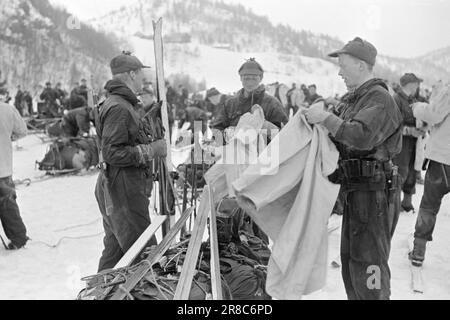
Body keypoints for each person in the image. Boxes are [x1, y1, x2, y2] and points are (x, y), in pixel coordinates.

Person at [304, 37, 403, 300]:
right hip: (357, 192)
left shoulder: (379, 99)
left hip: (374, 195)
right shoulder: (354, 99)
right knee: (352, 262)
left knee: (370, 264)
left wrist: (326, 118)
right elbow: (339, 138)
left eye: (344, 66)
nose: (339, 72)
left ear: (360, 65)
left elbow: (360, 136)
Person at [94, 51, 167, 272]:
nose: (143, 80)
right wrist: (151, 150)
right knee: (143, 256)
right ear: (132, 73)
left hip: (117, 187)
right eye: (140, 74)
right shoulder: (118, 107)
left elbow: (127, 133)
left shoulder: (121, 103)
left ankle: (98, 295)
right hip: (123, 190)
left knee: (115, 253)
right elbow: (113, 153)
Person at [409, 81, 450, 268]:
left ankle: (419, 251)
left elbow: (434, 114)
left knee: (429, 205)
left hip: (444, 158)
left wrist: (418, 107)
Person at [211, 58, 288, 133]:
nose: (250, 83)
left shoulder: (272, 104)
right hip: (234, 145)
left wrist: (265, 126)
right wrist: (227, 135)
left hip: (265, 146)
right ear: (241, 78)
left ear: (260, 78)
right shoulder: (230, 104)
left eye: (254, 79)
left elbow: (285, 134)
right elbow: (216, 129)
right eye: (246, 78)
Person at [392, 73, 425, 213]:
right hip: (400, 144)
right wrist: (410, 131)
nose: (418, 86)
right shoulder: (396, 100)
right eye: (417, 83)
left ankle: (407, 203)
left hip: (413, 144)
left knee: (412, 171)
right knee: (400, 172)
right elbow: (392, 125)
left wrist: (423, 126)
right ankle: (393, 204)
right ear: (411, 84)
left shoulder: (414, 100)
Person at [0, 93, 29, 250]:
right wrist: (8, 137)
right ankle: (18, 238)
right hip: (3, 166)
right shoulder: (8, 109)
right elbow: (22, 131)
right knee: (8, 204)